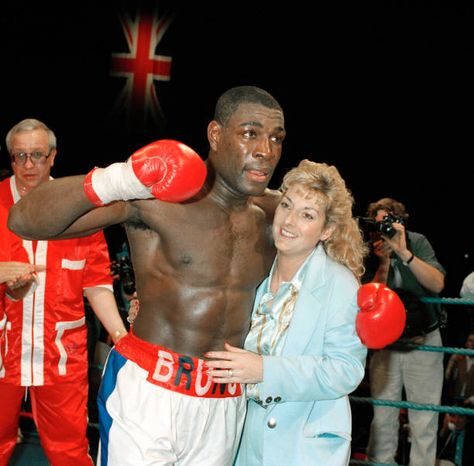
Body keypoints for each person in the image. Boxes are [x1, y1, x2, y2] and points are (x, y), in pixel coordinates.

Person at [8, 86, 287, 465]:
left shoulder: (278, 215)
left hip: (225, 396)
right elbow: (24, 220)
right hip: (148, 392)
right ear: (216, 135)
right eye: (250, 133)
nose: (266, 150)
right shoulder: (159, 200)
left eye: (276, 138)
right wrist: (120, 178)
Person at [204, 160, 368, 465]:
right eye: (286, 206)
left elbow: (346, 370)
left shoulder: (340, 283)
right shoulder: (255, 270)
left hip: (304, 447)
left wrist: (265, 370)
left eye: (307, 215)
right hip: (239, 438)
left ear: (327, 229)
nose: (289, 222)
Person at [0, 119, 126, 466]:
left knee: (70, 450)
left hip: (60, 353)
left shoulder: (78, 208)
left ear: (53, 156)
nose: (28, 165)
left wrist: (120, 335)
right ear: (10, 159)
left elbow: (97, 282)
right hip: (2, 350)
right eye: (19, 156)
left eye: (37, 155)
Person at [363, 197, 446, 466]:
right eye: (378, 226)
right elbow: (367, 300)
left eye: (387, 224)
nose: (383, 231)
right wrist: (384, 263)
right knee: (383, 418)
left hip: (423, 341)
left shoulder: (416, 242)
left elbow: (437, 284)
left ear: (399, 222)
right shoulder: (371, 251)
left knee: (424, 419)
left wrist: (403, 254)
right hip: (386, 345)